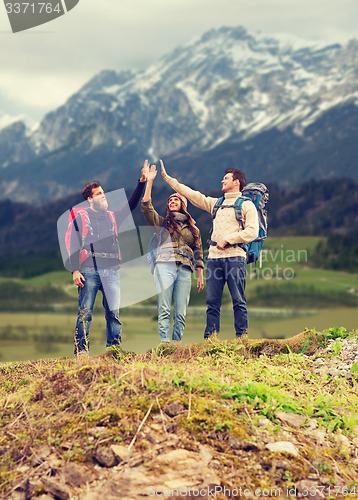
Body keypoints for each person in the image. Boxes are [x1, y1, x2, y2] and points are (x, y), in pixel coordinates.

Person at [160, 160, 259, 339]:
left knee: (238, 299)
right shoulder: (216, 204)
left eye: (226, 178)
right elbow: (191, 195)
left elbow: (253, 231)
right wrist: (169, 179)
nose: (222, 181)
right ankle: (210, 339)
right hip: (214, 259)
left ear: (236, 182)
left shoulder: (246, 205)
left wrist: (229, 239)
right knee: (212, 302)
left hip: (235, 256)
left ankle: (242, 338)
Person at [69, 163, 148, 356]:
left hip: (111, 270)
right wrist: (75, 270)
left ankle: (113, 349)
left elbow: (131, 204)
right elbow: (72, 243)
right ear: (90, 199)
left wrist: (142, 182)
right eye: (99, 194)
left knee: (113, 312)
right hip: (88, 270)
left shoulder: (113, 216)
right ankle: (82, 351)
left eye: (103, 193)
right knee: (85, 312)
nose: (103, 196)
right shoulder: (82, 217)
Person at [141, 164, 204, 343]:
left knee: (181, 311)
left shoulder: (193, 229)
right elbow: (147, 207)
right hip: (164, 265)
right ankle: (164, 343)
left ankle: (176, 345)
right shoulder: (162, 223)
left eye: (176, 200)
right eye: (170, 201)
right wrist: (150, 182)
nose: (172, 202)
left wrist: (200, 274)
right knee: (164, 307)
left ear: (183, 205)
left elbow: (198, 251)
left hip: (185, 268)